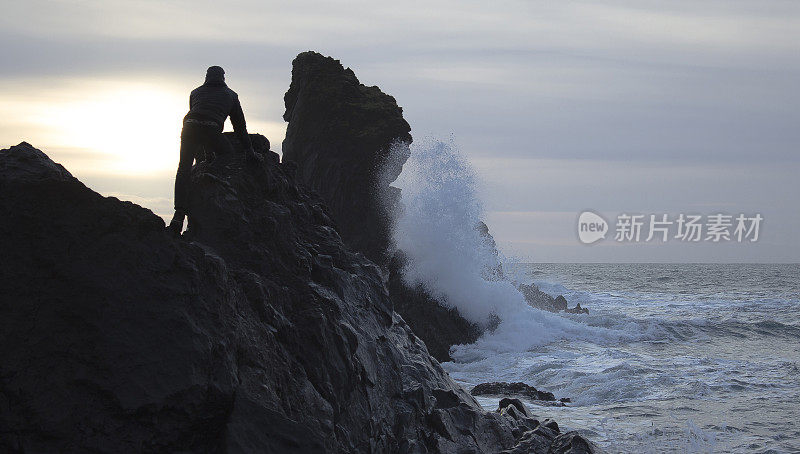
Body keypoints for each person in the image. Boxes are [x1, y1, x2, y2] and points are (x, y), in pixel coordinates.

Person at [167, 66, 256, 237]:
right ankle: (210, 175)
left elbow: (197, 115)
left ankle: (178, 216)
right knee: (228, 155)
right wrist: (250, 151)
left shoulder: (195, 92)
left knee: (183, 168)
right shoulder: (231, 95)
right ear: (223, 78)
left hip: (189, 126)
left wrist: (205, 155)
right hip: (211, 127)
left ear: (206, 77)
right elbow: (240, 127)